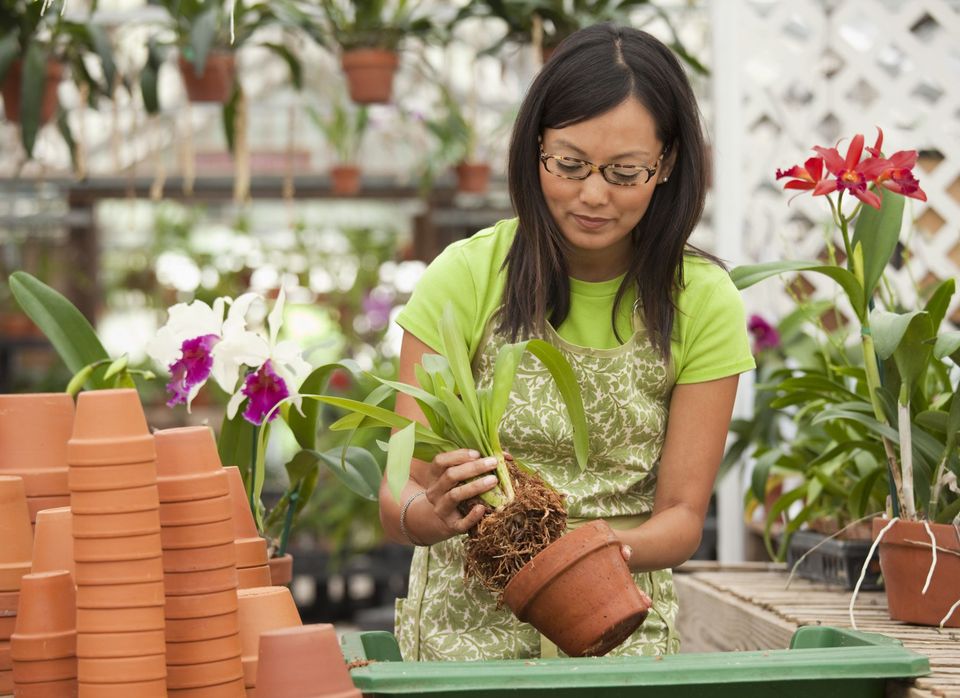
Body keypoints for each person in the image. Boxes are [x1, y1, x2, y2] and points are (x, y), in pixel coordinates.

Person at [379, 22, 755, 661]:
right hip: (464, 638)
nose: (593, 195)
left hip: (618, 632)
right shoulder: (466, 276)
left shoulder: (702, 299)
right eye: (571, 164)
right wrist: (432, 513)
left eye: (625, 172)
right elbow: (399, 490)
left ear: (665, 166)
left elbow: (683, 517)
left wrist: (588, 554)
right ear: (535, 151)